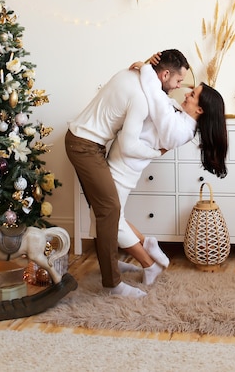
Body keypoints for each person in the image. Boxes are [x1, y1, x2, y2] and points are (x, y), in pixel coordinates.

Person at [65, 49, 190, 297]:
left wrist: (145, 63)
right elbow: (130, 144)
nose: (178, 87)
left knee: (104, 211)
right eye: (177, 81)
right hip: (84, 146)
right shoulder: (142, 97)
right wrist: (158, 152)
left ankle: (109, 265)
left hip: (88, 143)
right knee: (110, 210)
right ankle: (113, 284)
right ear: (164, 74)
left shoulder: (132, 73)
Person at [107, 56, 228, 285]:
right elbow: (161, 94)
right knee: (114, 216)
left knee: (111, 222)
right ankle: (146, 246)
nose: (185, 93)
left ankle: (149, 264)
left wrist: (146, 70)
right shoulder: (182, 121)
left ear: (200, 109)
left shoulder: (179, 130)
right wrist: (153, 65)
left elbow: (156, 98)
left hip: (123, 170)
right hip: (121, 163)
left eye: (192, 95)